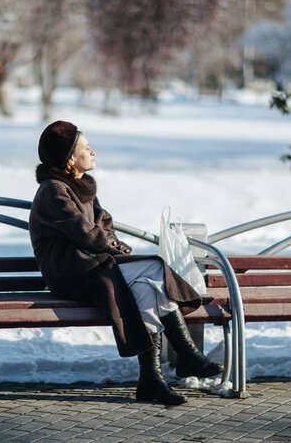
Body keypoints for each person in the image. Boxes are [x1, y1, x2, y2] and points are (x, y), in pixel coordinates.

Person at [29, 120, 223, 405]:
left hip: (92, 267)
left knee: (146, 288)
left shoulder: (80, 187)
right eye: (85, 147)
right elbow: (85, 233)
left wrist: (112, 244)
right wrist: (116, 247)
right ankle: (187, 354)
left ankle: (151, 380)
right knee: (156, 268)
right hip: (69, 271)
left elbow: (104, 224)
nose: (92, 151)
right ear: (70, 158)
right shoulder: (53, 191)